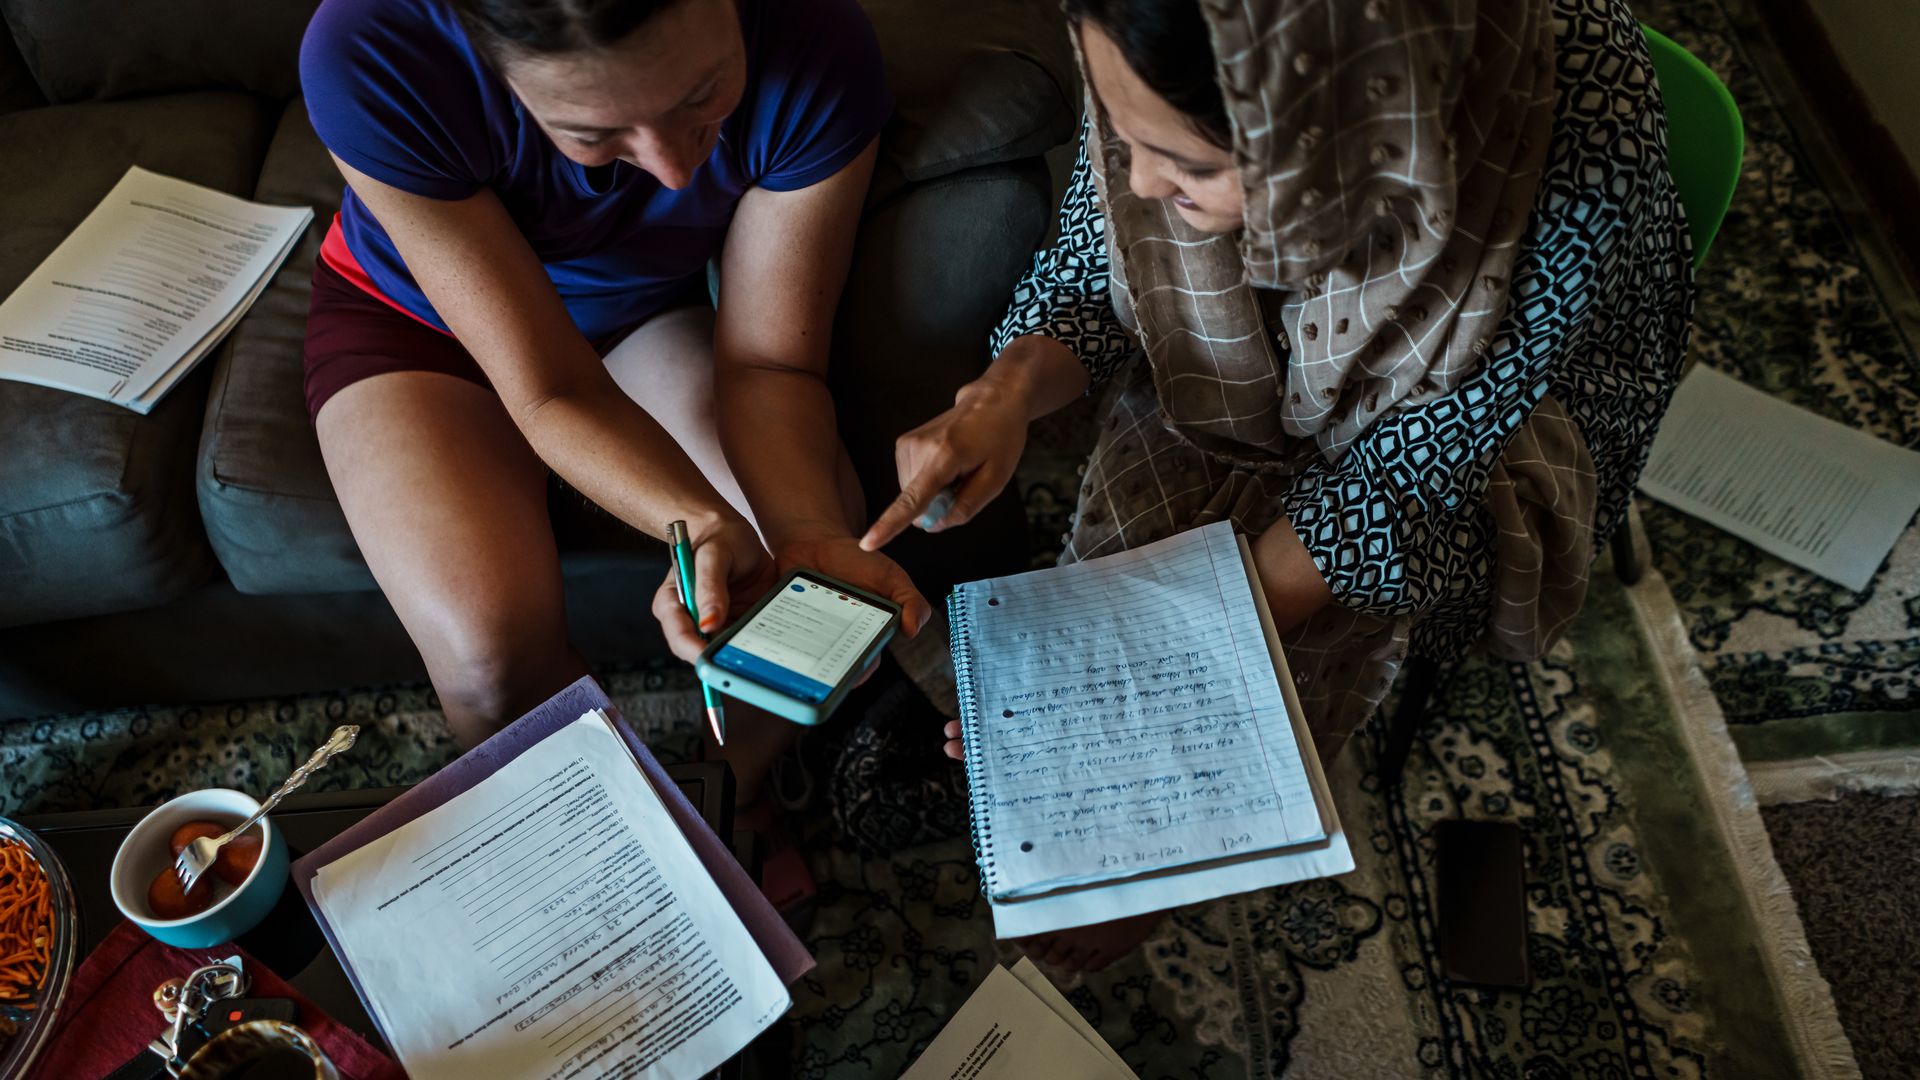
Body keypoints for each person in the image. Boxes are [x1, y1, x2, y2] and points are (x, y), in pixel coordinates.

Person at [863, 0, 1694, 971]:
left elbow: (1402, 489)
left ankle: (1171, 857)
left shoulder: (1565, 117)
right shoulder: (1156, 38)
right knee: (1145, 535)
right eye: (1128, 136)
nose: (1138, 179)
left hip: (1496, 432)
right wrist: (1000, 393)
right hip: (1246, 344)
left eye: (1192, 162)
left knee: (1267, 672)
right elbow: (1103, 263)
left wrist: (1131, 702)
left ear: (1347, 129)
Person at [299, 0, 933, 809]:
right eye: (593, 136)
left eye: (703, 92)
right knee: (486, 657)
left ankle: (722, 813)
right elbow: (550, 387)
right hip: (410, 317)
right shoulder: (369, 47)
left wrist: (804, 530)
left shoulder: (817, 36)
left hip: (637, 310)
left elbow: (771, 361)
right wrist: (696, 522)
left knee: (804, 552)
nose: (671, 169)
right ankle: (602, 849)